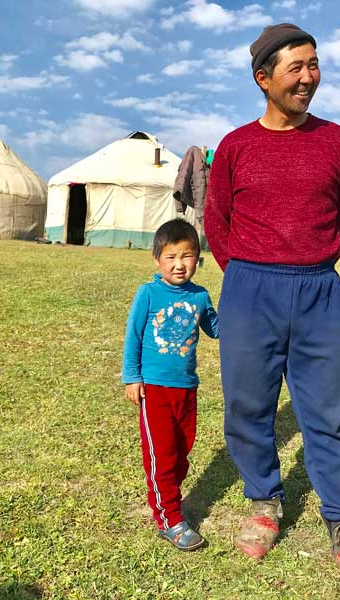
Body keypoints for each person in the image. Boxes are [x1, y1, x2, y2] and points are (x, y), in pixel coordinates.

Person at [204, 23, 340, 595]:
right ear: (264, 79)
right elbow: (217, 221)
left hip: (317, 288)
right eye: (296, 68)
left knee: (331, 412)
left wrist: (309, 263)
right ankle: (264, 503)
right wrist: (245, 273)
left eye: (314, 64)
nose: (309, 77)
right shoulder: (236, 145)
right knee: (247, 404)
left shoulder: (338, 141)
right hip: (249, 288)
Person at [122, 218, 219, 551]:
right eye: (171, 257)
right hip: (155, 389)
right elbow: (132, 338)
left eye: (187, 256)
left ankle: (168, 497)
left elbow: (217, 329)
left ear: (197, 258)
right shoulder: (148, 293)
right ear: (157, 260)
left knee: (181, 453)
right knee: (161, 455)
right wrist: (131, 377)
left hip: (187, 388)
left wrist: (240, 312)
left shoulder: (200, 296)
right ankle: (169, 519)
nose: (179, 264)